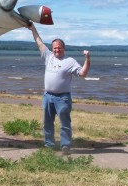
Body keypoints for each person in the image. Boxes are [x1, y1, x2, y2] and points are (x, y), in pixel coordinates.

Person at [27, 23, 90, 156]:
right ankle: (49, 145)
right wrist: (32, 28)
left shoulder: (70, 61)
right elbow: (39, 42)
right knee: (47, 123)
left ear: (64, 48)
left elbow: (83, 74)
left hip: (63, 98)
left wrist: (87, 59)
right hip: (47, 96)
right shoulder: (48, 56)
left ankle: (65, 146)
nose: (57, 50)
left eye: (59, 48)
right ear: (52, 49)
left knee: (65, 123)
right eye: (55, 48)